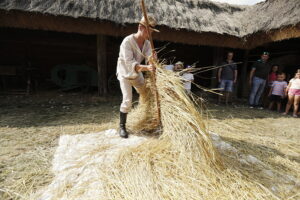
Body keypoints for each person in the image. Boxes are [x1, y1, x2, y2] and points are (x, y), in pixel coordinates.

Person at [116, 15, 159, 138]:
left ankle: (145, 116)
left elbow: (148, 59)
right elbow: (130, 63)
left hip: (137, 74)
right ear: (140, 27)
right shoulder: (127, 42)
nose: (150, 34)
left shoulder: (146, 44)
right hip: (125, 74)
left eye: (152, 32)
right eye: (148, 31)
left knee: (146, 93)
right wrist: (146, 68)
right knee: (127, 100)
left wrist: (152, 60)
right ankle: (122, 126)